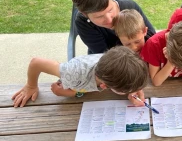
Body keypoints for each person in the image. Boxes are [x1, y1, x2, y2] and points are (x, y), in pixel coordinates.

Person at [12, 46, 149, 108]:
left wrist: (134, 88)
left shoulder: (114, 65)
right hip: (74, 77)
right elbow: (36, 62)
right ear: (104, 86)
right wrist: (31, 86)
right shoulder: (73, 73)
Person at [72, 0, 156, 54]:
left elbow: (152, 36)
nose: (109, 19)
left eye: (110, 10)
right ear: (84, 14)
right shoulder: (83, 22)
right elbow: (102, 53)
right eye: (99, 16)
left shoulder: (130, 6)